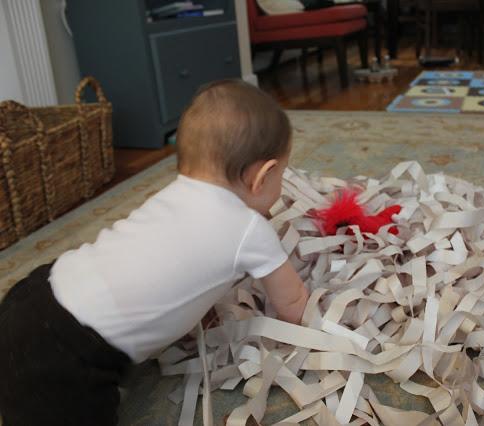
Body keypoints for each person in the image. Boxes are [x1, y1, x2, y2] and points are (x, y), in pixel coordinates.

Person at [0, 80, 309, 426]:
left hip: (36, 292)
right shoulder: (251, 229)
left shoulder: (169, 195)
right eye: (281, 176)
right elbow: (293, 303)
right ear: (262, 176)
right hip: (70, 354)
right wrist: (308, 330)